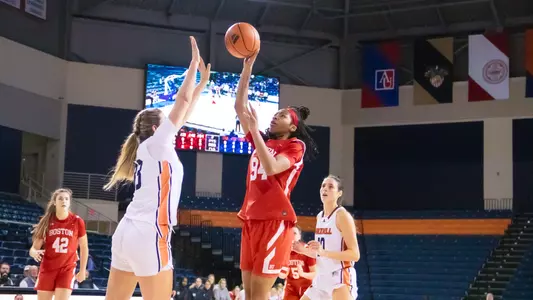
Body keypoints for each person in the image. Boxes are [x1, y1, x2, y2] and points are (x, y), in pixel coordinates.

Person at [102, 36, 210, 300]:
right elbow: (182, 101)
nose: (173, 123)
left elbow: (186, 110)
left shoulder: (149, 147)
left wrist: (203, 84)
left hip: (126, 231)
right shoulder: (157, 143)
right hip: (149, 232)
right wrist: (193, 65)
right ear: (155, 128)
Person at [234, 49, 319, 300]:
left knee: (259, 296)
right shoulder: (263, 142)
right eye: (276, 112)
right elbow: (239, 106)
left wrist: (255, 133)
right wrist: (247, 70)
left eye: (282, 115)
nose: (275, 115)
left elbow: (271, 167)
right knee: (249, 295)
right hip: (251, 219)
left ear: (292, 127)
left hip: (275, 222)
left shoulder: (295, 146)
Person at [293, 175, 360, 300]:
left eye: (330, 187)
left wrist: (324, 252)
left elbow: (355, 255)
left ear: (339, 193)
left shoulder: (342, 216)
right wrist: (303, 250)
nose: (325, 189)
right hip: (321, 278)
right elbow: (320, 254)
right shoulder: (320, 217)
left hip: (339, 277)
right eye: (323, 186)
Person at [29, 188, 89, 300]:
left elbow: (84, 247)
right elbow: (33, 249)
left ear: (70, 202)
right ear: (54, 202)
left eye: (66, 199)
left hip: (67, 268)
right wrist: (34, 253)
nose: (64, 201)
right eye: (60, 199)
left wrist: (82, 270)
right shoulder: (46, 221)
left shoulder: (77, 221)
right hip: (47, 268)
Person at [278, 226, 316, 300]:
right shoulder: (282, 251)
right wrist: (282, 274)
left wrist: (303, 274)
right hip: (290, 288)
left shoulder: (306, 250)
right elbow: (281, 275)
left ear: (299, 236)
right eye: (290, 233)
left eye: (294, 233)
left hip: (307, 287)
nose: (292, 235)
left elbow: (315, 274)